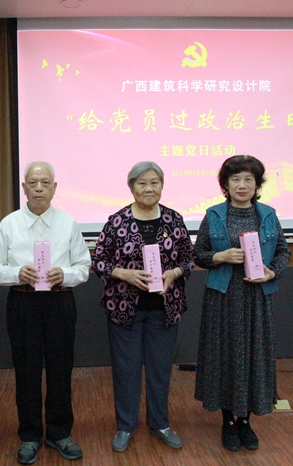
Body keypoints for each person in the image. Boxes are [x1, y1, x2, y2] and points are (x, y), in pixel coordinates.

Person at [0, 162, 91, 464]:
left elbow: (83, 267)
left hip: (59, 301)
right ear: (24, 188)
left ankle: (59, 433)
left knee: (61, 369)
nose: (39, 188)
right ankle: (30, 435)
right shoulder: (10, 224)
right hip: (23, 302)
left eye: (45, 183)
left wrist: (65, 274)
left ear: (54, 188)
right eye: (33, 183)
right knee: (26, 371)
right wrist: (17, 273)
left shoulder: (68, 223)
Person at [91, 161, 195, 453]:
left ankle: (160, 423)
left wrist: (174, 273)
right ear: (132, 187)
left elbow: (189, 258)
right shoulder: (117, 221)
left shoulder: (174, 219)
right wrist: (123, 274)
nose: (149, 188)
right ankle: (125, 426)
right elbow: (98, 260)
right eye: (142, 183)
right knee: (126, 370)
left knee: (160, 370)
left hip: (165, 308)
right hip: (125, 308)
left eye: (154, 183)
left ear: (162, 186)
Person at [193, 155, 291, 452]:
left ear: (257, 185)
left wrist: (272, 272)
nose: (242, 185)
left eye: (249, 179)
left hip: (255, 297)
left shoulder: (268, 215)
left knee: (253, 354)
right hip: (223, 296)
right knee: (224, 355)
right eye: (235, 179)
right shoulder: (213, 215)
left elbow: (283, 252)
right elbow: (198, 254)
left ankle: (245, 420)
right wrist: (219, 256)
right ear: (225, 184)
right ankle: (227, 420)